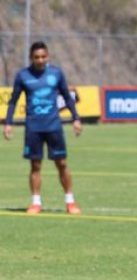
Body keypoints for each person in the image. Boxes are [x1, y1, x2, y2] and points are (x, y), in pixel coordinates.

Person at [4, 41, 83, 215]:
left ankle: (70, 201)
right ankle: (36, 202)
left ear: (48, 56)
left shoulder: (56, 73)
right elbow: (13, 101)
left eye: (43, 56)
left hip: (53, 126)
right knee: (35, 165)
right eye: (36, 57)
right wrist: (8, 123)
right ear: (31, 58)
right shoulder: (22, 76)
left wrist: (76, 118)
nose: (40, 60)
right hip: (33, 127)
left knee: (62, 163)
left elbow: (67, 98)